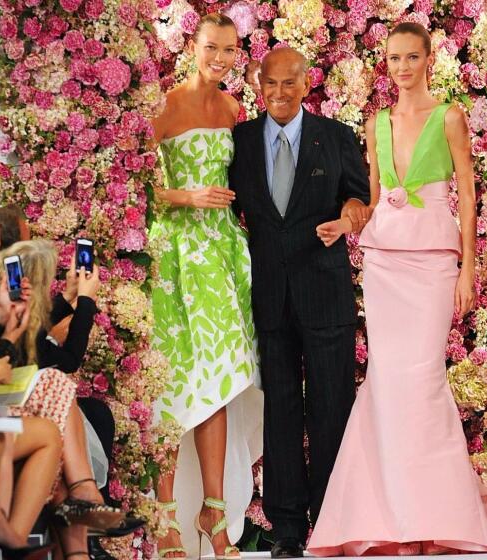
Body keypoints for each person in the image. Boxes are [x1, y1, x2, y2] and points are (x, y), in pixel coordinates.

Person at [307, 23, 487, 556]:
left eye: (411, 57)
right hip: (383, 264)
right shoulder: (376, 123)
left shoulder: (450, 117)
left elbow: (468, 196)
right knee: (386, 386)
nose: (402, 67)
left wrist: (469, 268)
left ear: (428, 60)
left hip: (434, 264)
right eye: (394, 58)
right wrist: (345, 225)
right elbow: (373, 201)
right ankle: (389, 523)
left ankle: (435, 520)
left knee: (422, 384)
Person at [228, 47, 371, 558]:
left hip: (325, 292)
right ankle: (287, 530)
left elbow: (360, 198)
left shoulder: (334, 137)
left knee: (331, 408)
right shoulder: (240, 141)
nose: (280, 94)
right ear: (258, 83)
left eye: (290, 84)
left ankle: (332, 521)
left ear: (306, 83)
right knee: (282, 412)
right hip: (269, 297)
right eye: (271, 84)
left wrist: (351, 215)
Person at [148, 13, 262, 560]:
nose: (220, 57)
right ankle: (164, 517)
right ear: (192, 48)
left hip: (223, 254)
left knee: (220, 378)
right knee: (172, 375)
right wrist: (185, 196)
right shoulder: (163, 106)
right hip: (174, 254)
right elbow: (139, 186)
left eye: (230, 48)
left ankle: (214, 512)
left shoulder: (233, 109)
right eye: (211, 47)